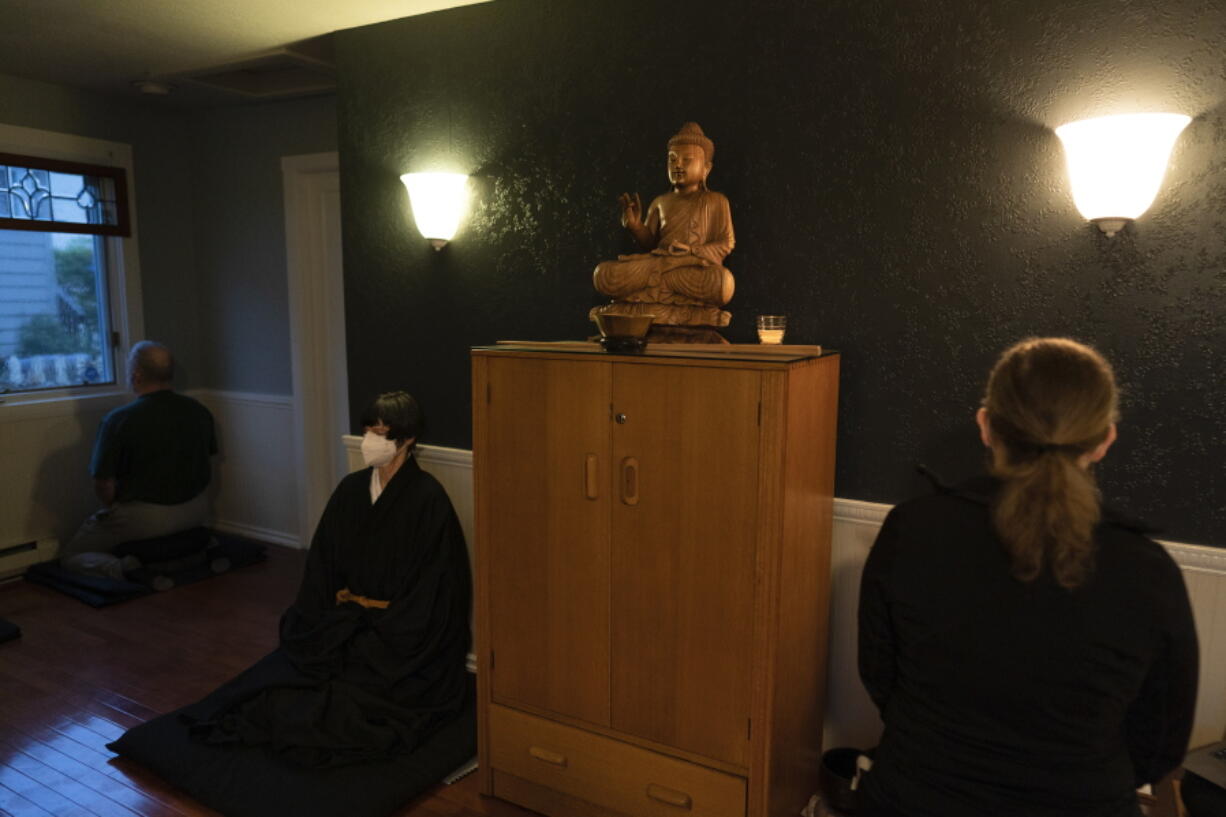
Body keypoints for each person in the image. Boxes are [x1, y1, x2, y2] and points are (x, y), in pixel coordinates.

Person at [857, 338, 1199, 817]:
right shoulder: (1148, 571)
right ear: (1105, 439)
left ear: (986, 425)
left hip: (913, 794)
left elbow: (879, 673)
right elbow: (1161, 744)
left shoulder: (912, 530)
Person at [182, 390, 472, 767]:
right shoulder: (351, 490)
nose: (372, 441)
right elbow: (322, 562)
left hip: (398, 634)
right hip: (343, 618)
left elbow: (438, 585)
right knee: (278, 689)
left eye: (383, 433)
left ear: (408, 438)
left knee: (346, 703)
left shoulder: (428, 498)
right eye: (368, 430)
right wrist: (325, 614)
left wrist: (386, 628)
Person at [61, 341, 216, 578]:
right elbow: (208, 460)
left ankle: (125, 568)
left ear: (136, 375)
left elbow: (103, 484)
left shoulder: (119, 420)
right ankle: (188, 553)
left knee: (72, 555)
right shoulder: (199, 411)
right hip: (197, 510)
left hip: (146, 518)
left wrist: (112, 511)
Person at [590, 122, 735, 340]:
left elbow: (726, 244)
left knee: (722, 282)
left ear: (706, 168)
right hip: (659, 263)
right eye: (673, 159)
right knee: (604, 274)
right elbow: (650, 244)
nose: (678, 165)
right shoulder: (661, 201)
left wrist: (691, 251)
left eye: (687, 160)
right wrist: (636, 226)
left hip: (688, 268)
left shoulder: (715, 201)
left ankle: (647, 299)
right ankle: (664, 293)